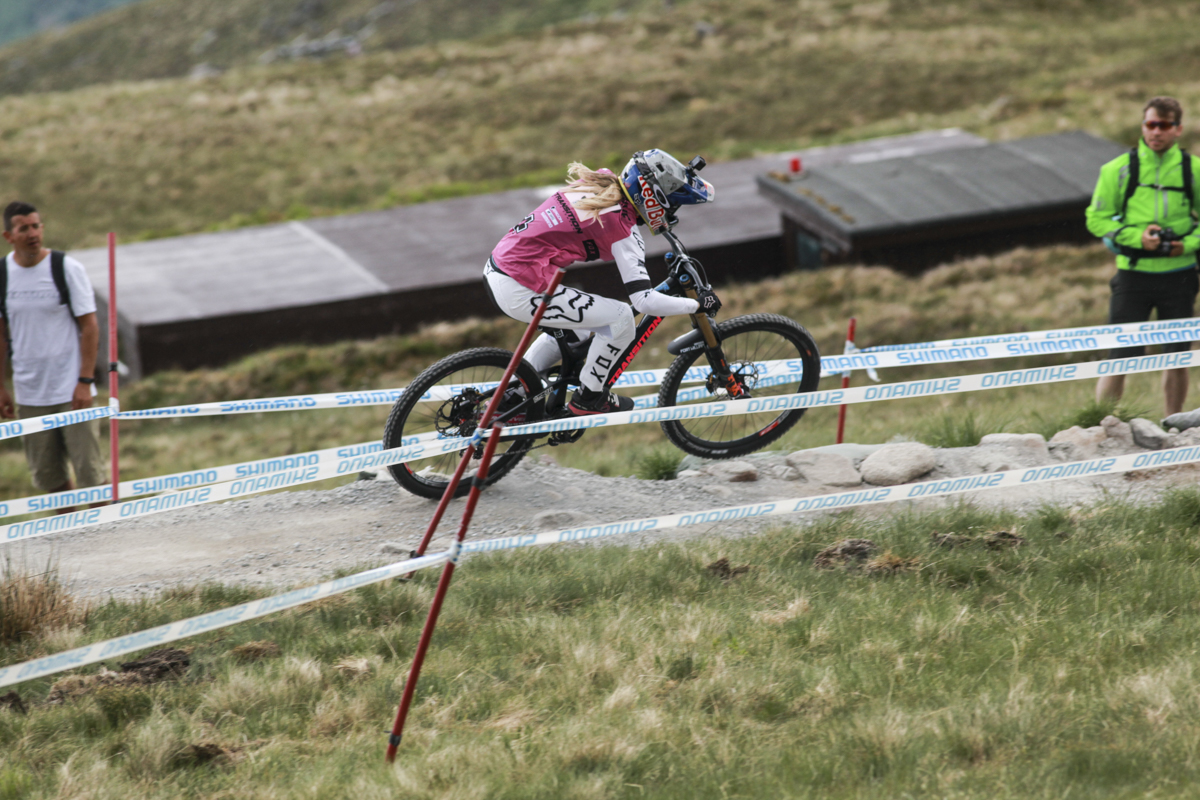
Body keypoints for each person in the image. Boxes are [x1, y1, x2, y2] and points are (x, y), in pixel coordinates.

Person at [484, 149, 719, 415]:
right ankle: (590, 397)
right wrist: (696, 305)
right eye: (672, 205)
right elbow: (643, 301)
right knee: (621, 317)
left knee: (581, 331)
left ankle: (514, 392)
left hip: (500, 269)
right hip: (519, 287)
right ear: (653, 199)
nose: (671, 214)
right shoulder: (622, 229)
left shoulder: (600, 182)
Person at [1087, 96, 1200, 420]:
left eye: (1164, 125)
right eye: (1151, 124)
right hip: (1132, 275)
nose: (1156, 132)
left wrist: (1186, 244)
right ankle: (1101, 425)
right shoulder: (1117, 169)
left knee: (1177, 357)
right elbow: (1096, 218)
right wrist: (1137, 238)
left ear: (1178, 129)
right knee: (1120, 355)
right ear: (1143, 126)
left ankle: (1173, 424)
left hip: (1180, 274)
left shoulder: (1194, 170)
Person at [0, 201, 105, 501]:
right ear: (9, 236)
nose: (32, 233)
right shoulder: (2, 274)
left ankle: (106, 527)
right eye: (24, 228)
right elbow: (1, 335)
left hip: (72, 391)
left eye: (36, 226)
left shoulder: (66, 268)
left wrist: (85, 381)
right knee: (50, 478)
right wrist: (1, 386)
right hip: (30, 393)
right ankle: (68, 528)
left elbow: (90, 326)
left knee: (91, 475)